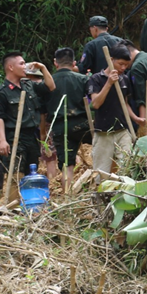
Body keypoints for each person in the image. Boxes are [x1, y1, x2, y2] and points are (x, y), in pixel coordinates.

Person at [0, 52, 56, 181]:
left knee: (31, 174)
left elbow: (51, 86)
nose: (25, 66)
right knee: (15, 175)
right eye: (21, 63)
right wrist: (2, 140)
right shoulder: (1, 92)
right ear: (11, 67)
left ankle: (28, 200)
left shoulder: (29, 85)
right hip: (14, 137)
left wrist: (42, 68)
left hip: (32, 137)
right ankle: (14, 201)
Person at [87, 45, 144, 175]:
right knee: (101, 171)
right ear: (111, 60)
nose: (123, 68)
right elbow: (95, 104)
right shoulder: (96, 79)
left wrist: (136, 118)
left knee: (128, 167)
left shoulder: (124, 78)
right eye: (120, 64)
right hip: (104, 132)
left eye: (126, 65)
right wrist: (109, 83)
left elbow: (124, 103)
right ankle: (102, 194)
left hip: (123, 130)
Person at [47, 47, 91, 191]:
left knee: (67, 165)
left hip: (61, 126)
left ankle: (67, 199)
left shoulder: (49, 82)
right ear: (74, 63)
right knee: (98, 155)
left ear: (55, 63)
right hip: (83, 124)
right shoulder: (83, 79)